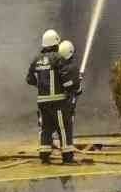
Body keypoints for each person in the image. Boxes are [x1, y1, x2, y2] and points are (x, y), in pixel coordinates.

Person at [26, 29, 76, 164]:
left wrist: (42, 87)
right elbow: (65, 78)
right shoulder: (58, 58)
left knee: (46, 128)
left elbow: (29, 79)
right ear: (56, 43)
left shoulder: (36, 60)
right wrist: (71, 87)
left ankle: (44, 154)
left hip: (42, 102)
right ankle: (67, 156)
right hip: (58, 101)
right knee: (63, 127)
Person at [57, 39, 82, 158]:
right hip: (68, 102)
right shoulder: (72, 68)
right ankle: (68, 155)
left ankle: (49, 147)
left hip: (57, 103)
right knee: (68, 127)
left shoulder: (57, 67)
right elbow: (77, 89)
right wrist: (77, 81)